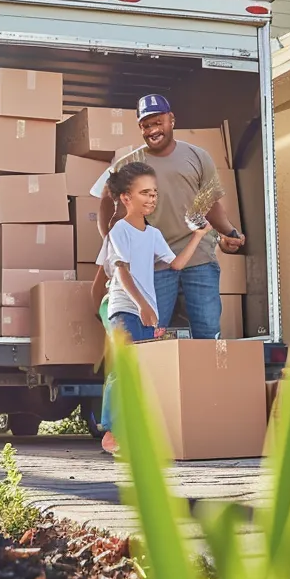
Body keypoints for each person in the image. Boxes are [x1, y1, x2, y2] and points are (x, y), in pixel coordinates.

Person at [91, 94, 246, 339]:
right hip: (155, 265)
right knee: (151, 332)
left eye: (158, 122)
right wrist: (112, 242)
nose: (153, 129)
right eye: (146, 125)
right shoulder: (130, 164)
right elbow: (105, 201)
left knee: (208, 331)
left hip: (199, 258)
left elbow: (209, 203)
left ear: (171, 120)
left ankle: (206, 377)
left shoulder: (197, 156)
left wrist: (229, 232)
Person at [98, 161, 211, 455]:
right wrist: (143, 305)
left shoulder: (153, 234)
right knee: (124, 369)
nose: (151, 198)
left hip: (147, 312)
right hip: (124, 308)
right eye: (144, 193)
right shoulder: (119, 231)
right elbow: (121, 271)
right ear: (125, 197)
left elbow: (175, 265)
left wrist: (198, 235)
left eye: (155, 193)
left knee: (143, 371)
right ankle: (111, 434)